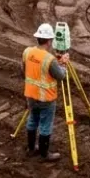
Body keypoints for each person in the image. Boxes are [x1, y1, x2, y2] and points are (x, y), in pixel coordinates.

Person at [22, 23, 68, 162]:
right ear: (49, 41)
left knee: (32, 120)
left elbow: (23, 71)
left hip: (30, 95)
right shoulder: (49, 59)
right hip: (46, 99)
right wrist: (64, 65)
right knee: (45, 125)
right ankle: (44, 154)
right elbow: (60, 76)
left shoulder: (27, 52)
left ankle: (31, 149)